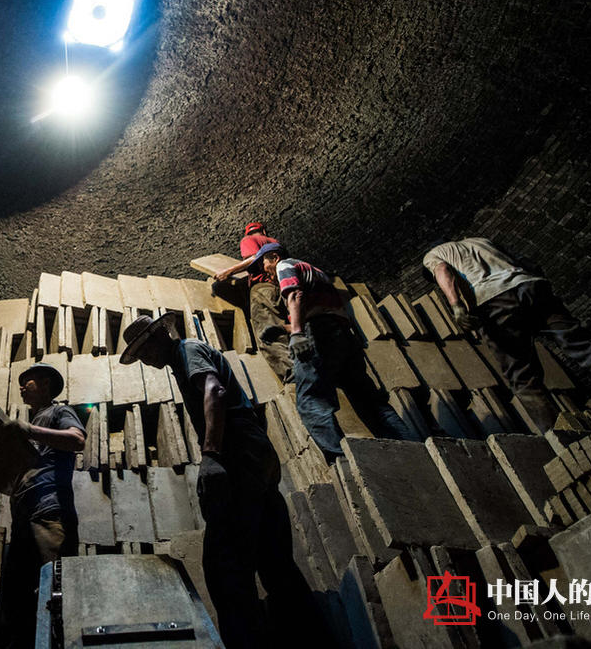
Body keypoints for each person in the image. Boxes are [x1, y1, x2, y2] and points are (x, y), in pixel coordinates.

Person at [118, 312, 313, 648]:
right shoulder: (182, 360)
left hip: (238, 448)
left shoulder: (187, 351)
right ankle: (309, 635)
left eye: (146, 349)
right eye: (139, 357)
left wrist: (210, 455)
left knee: (225, 566)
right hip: (253, 449)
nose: (145, 360)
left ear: (162, 334)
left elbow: (215, 390)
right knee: (273, 558)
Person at [423, 237, 591, 414]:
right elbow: (528, 263)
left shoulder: (433, 256)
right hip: (531, 285)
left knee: (522, 376)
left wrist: (456, 305)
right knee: (584, 349)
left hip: (495, 300)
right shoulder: (482, 241)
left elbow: (443, 271)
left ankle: (562, 438)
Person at [254, 242, 418, 462]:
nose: (265, 274)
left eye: (264, 264)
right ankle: (412, 451)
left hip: (318, 334)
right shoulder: (318, 273)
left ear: (274, 257)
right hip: (342, 336)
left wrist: (296, 334)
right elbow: (320, 309)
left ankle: (343, 463)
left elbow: (295, 296)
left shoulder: (284, 265)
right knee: (369, 401)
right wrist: (283, 328)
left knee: (311, 399)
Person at [0, 363, 85, 648]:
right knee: (19, 599)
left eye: (29, 381)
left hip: (50, 513)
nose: (22, 387)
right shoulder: (28, 430)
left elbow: (76, 440)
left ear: (45, 384)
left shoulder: (59, 412)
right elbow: (12, 478)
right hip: (23, 519)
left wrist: (30, 430)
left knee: (55, 592)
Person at [213, 222, 293, 383]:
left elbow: (254, 257)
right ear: (264, 230)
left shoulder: (248, 240)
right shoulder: (275, 243)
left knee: (268, 333)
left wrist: (228, 271)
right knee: (286, 329)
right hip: (282, 288)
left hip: (263, 289)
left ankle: (293, 375)